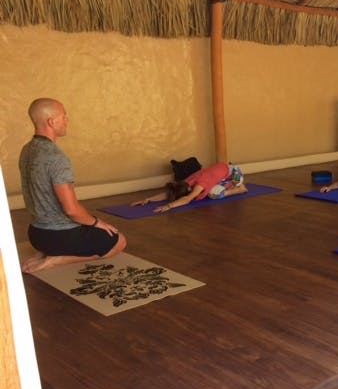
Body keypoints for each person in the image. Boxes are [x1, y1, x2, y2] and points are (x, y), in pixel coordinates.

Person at [19, 98, 126, 273]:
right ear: (52, 122)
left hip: (36, 235)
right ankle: (57, 260)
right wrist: (97, 223)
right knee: (119, 242)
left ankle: (46, 252)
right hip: (60, 236)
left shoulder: (27, 150)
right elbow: (71, 210)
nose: (67, 120)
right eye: (64, 116)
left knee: (86, 225)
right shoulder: (56, 158)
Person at [131, 163, 247, 212]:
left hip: (235, 174)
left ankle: (240, 188)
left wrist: (168, 206)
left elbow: (187, 199)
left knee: (213, 194)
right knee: (210, 190)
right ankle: (229, 185)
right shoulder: (186, 182)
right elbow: (169, 194)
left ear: (189, 190)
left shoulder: (200, 184)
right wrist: (148, 199)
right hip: (222, 173)